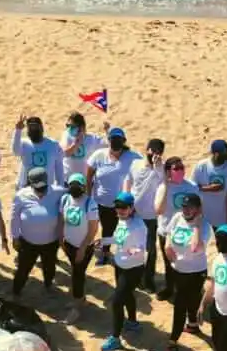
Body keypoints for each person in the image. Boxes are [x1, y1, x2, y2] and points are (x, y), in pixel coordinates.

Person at [162, 194, 210, 351]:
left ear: (198, 209)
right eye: (184, 206)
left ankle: (173, 340)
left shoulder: (204, 225)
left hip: (196, 271)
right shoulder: (177, 217)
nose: (186, 210)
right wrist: (168, 246)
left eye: (190, 207)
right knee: (190, 299)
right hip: (178, 268)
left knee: (180, 303)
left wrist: (196, 225)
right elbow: (168, 233)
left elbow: (196, 247)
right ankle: (193, 325)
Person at [101, 192, 149, 351]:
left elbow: (141, 250)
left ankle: (115, 338)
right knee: (127, 295)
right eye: (117, 207)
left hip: (133, 269)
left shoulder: (139, 226)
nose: (119, 210)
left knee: (116, 302)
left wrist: (127, 251)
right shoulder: (121, 221)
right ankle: (133, 323)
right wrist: (103, 242)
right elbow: (118, 239)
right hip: (120, 265)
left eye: (123, 207)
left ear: (131, 208)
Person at [86, 127, 141, 266]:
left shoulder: (132, 157)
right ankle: (99, 252)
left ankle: (115, 254)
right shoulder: (99, 155)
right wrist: (88, 194)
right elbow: (88, 175)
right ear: (108, 140)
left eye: (119, 140)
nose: (115, 142)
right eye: (113, 139)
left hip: (121, 203)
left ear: (124, 141)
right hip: (99, 201)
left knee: (118, 230)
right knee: (99, 228)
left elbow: (145, 166)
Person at [10, 166, 64, 297]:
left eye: (43, 188)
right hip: (28, 242)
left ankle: (48, 284)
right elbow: (14, 217)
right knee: (23, 269)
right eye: (37, 188)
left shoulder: (59, 192)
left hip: (51, 242)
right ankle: (16, 290)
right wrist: (15, 237)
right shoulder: (21, 195)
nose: (41, 191)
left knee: (49, 267)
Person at [154, 156, 202, 301]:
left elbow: (199, 209)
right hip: (166, 231)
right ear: (168, 171)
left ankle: (183, 290)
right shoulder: (162, 187)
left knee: (184, 262)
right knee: (169, 263)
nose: (180, 171)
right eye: (176, 169)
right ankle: (169, 288)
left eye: (182, 168)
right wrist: (167, 187)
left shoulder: (191, 186)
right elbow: (159, 210)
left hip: (185, 231)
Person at [59, 173, 99, 323]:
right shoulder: (65, 199)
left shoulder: (90, 203)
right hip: (69, 243)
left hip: (84, 246)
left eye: (77, 185)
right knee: (76, 272)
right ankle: (80, 299)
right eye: (71, 185)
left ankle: (77, 307)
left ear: (83, 187)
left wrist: (82, 249)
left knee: (77, 274)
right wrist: (60, 239)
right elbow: (62, 220)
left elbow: (93, 229)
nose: (74, 188)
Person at [125, 138, 165, 292]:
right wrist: (126, 200)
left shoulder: (161, 169)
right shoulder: (135, 164)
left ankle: (148, 279)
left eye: (158, 152)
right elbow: (128, 181)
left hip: (150, 217)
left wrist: (158, 167)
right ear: (146, 149)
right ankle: (136, 277)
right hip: (134, 214)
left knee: (150, 250)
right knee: (134, 246)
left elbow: (163, 185)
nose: (154, 154)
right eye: (152, 150)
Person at [192, 139, 227, 232]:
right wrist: (209, 188)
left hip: (222, 217)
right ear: (213, 153)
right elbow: (193, 188)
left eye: (225, 154)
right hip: (203, 216)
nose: (224, 157)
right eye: (221, 154)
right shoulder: (201, 166)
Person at [11, 114, 63, 189]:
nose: (33, 130)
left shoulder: (53, 145)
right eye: (30, 127)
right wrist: (18, 130)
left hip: (47, 189)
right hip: (26, 188)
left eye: (35, 127)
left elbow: (59, 168)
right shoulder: (24, 143)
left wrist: (60, 187)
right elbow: (15, 151)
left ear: (42, 128)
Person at [60, 111, 109, 181]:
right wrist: (76, 144)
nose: (69, 129)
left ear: (82, 127)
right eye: (68, 126)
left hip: (84, 181)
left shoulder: (92, 139)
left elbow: (108, 145)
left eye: (72, 127)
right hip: (68, 180)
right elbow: (65, 153)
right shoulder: (66, 136)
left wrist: (107, 131)